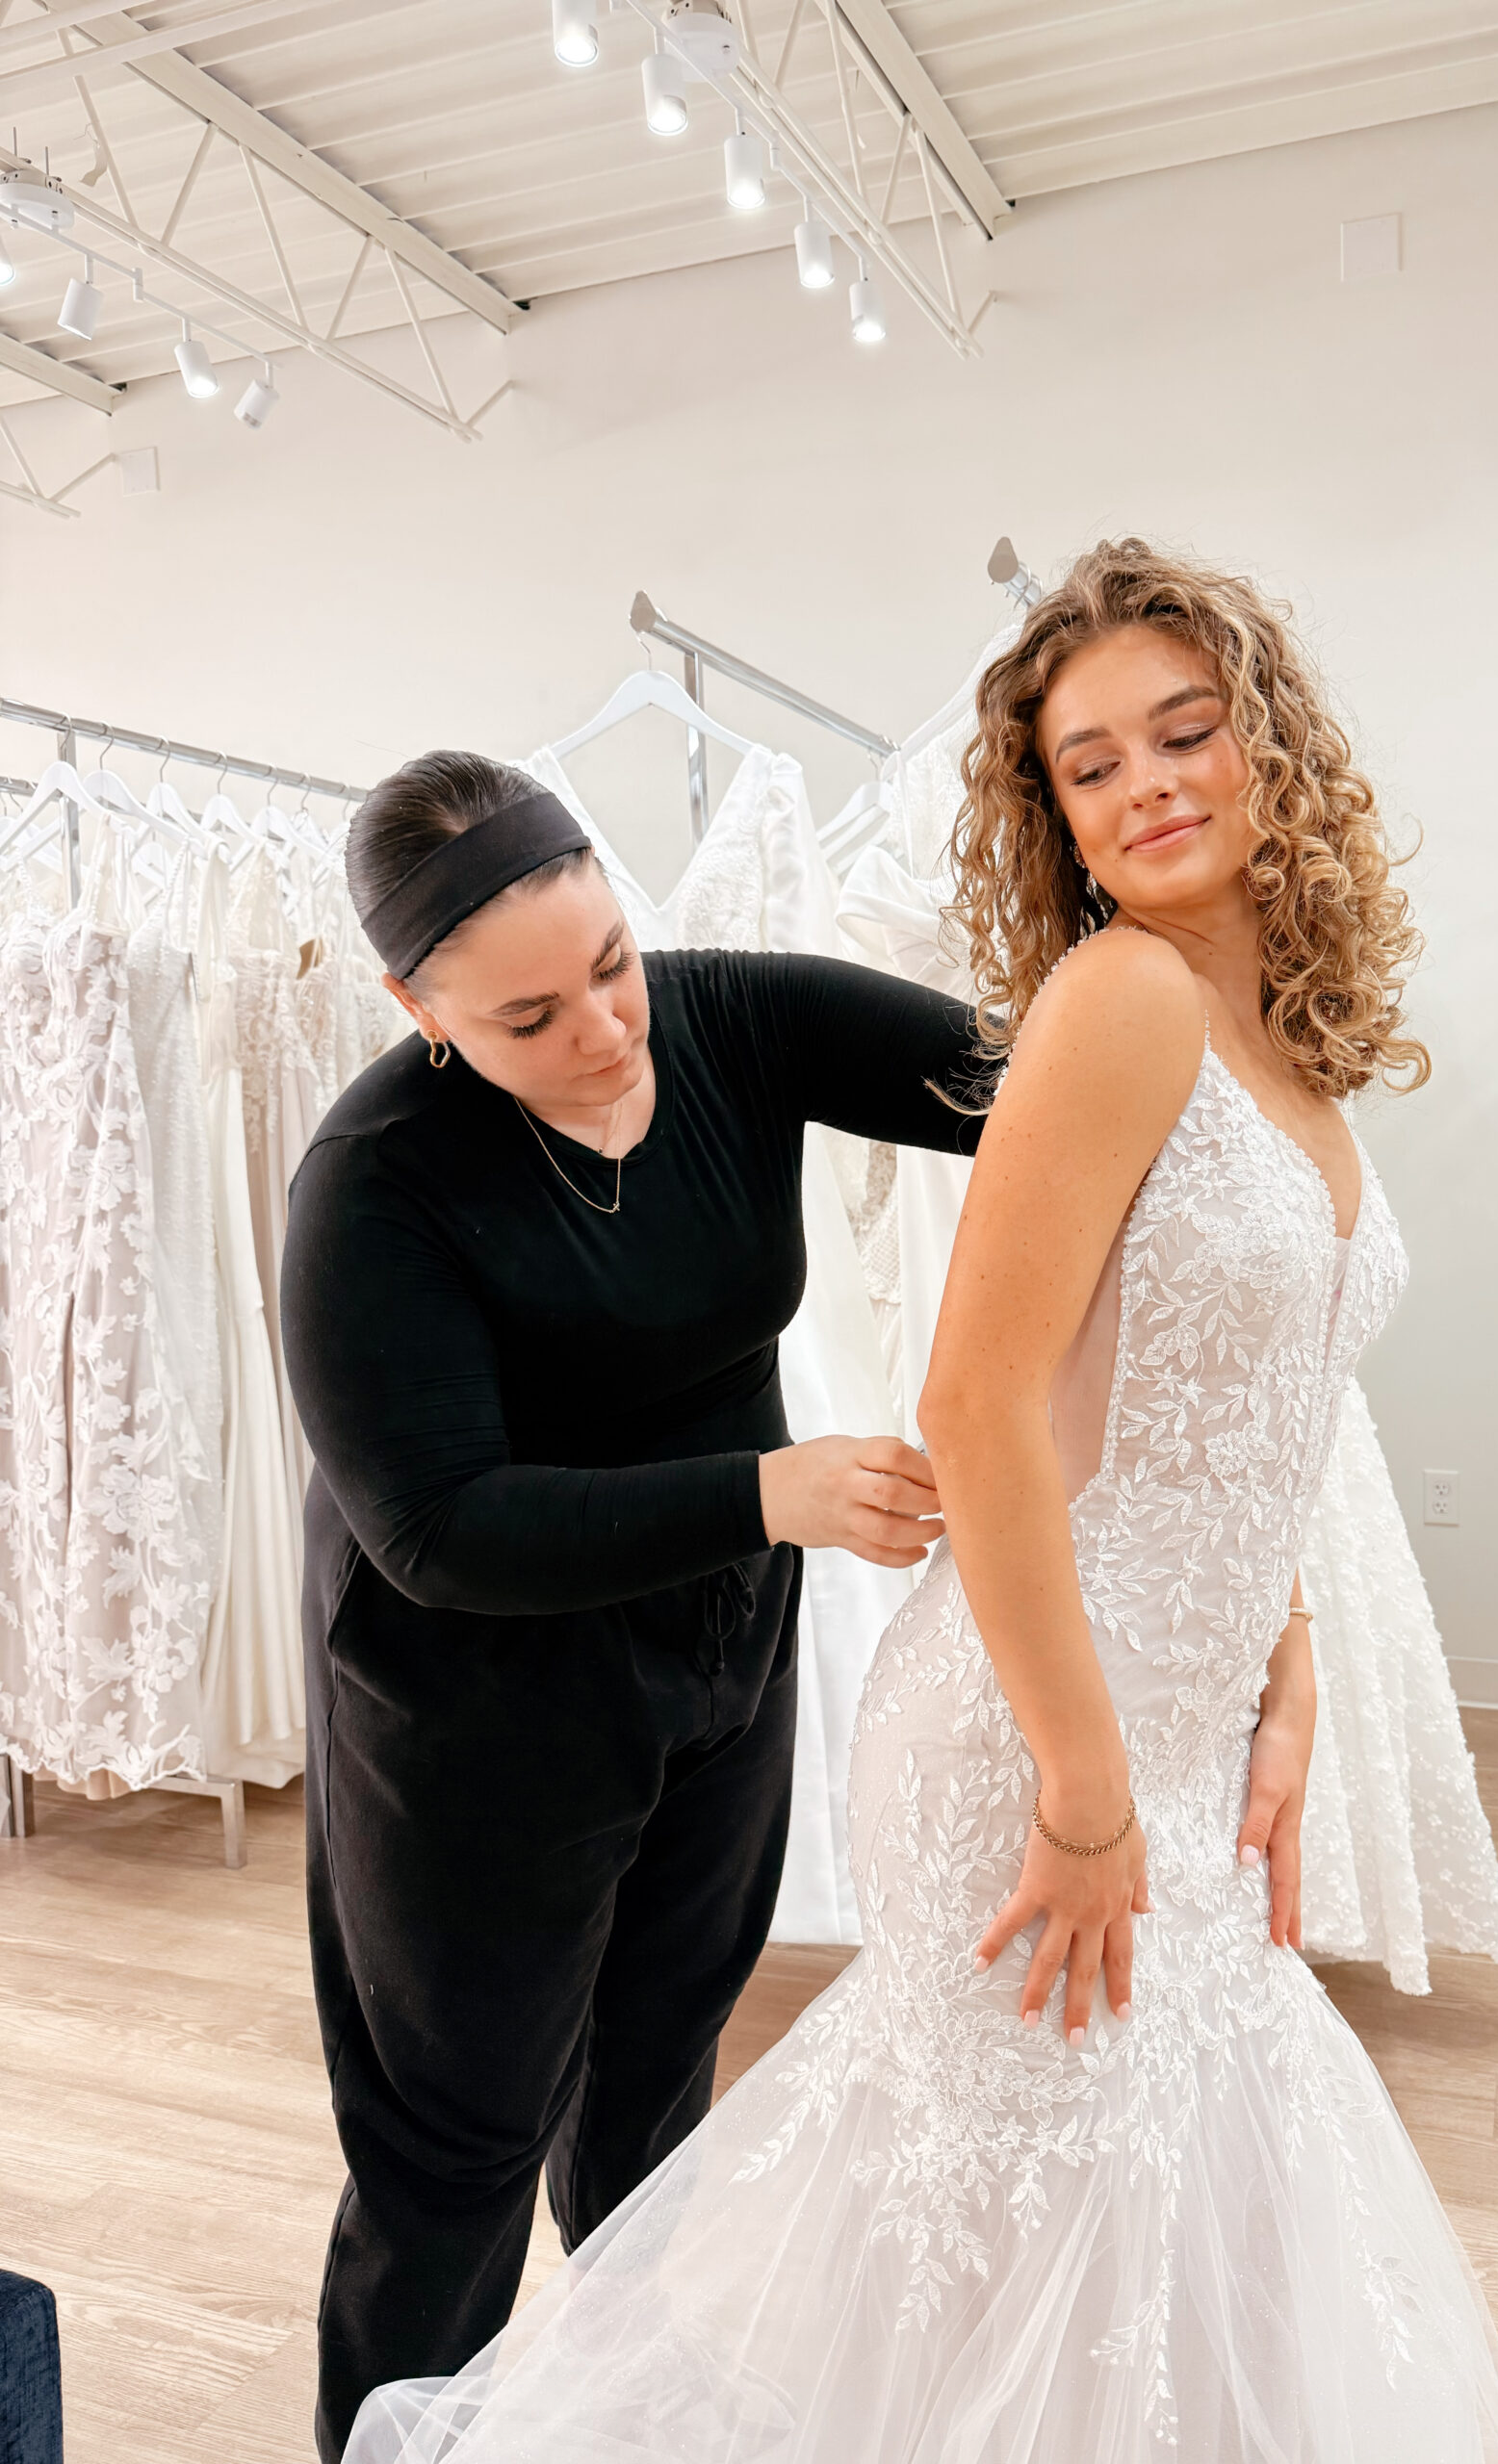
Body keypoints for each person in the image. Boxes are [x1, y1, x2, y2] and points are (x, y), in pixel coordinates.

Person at [345, 544, 1498, 2463]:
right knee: (1033, 2248)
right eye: (1091, 763)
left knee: (1151, 2228)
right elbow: (975, 1408)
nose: (1150, 782)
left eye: (1184, 728)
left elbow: (1250, 1396)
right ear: (1052, 812)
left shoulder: (1283, 1043)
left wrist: (1290, 1651)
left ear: (1266, 743)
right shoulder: (1122, 1000)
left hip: (1170, 1709)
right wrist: (1080, 1784)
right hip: (1032, 1736)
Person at [282, 755, 996, 2458]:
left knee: (663, 2081)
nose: (605, 1031)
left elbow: (1028, 1084)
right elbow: (439, 1529)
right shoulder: (371, 1188)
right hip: (475, 1709)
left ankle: (617, 2411)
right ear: (419, 1008)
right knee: (455, 2144)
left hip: (714, 1658)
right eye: (528, 1017)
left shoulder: (723, 1018)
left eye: (611, 962)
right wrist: (773, 1493)